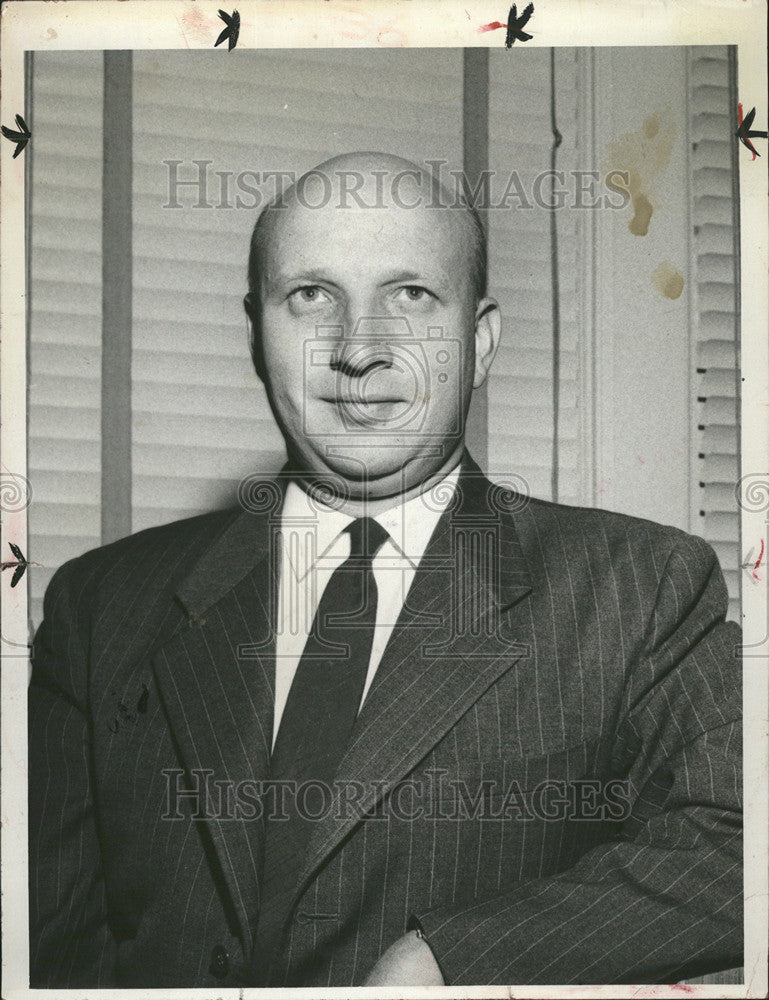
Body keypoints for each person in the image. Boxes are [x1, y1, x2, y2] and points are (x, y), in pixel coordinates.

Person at [28, 152, 742, 989]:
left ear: (478, 343)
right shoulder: (101, 603)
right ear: (255, 334)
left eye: (410, 296)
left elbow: (739, 842)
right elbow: (50, 936)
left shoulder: (639, 586)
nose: (357, 348)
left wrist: (455, 958)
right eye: (310, 296)